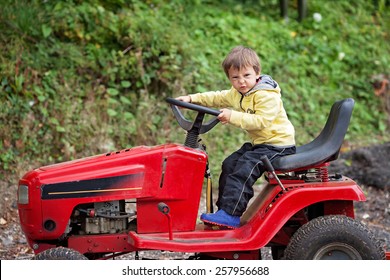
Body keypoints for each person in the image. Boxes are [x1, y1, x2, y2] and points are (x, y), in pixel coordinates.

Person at [176, 46, 296, 229]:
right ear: (230, 78)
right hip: (261, 144)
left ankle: (232, 214)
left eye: (246, 75)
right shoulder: (238, 93)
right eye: (235, 77)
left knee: (244, 168)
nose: (241, 82)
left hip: (278, 145)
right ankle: (223, 212)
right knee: (230, 164)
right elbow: (216, 97)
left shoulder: (265, 95)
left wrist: (232, 116)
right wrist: (191, 99)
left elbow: (262, 121)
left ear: (257, 73)